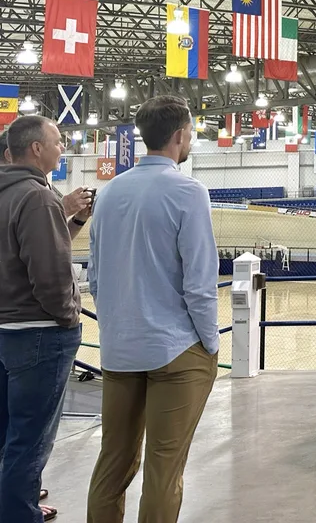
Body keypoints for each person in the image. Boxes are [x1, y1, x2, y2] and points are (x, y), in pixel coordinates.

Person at [85, 96, 219, 523]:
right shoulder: (188, 191)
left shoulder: (108, 194)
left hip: (121, 348)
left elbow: (96, 277)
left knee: (113, 462)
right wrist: (211, 345)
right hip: (176, 349)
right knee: (164, 468)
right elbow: (199, 283)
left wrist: (116, 329)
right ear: (180, 135)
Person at [0, 116, 87, 523]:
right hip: (38, 335)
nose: (61, 145)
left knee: (7, 433)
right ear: (35, 149)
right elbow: (50, 276)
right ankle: (20, 514)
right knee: (29, 440)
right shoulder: (36, 198)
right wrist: (69, 318)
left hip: (5, 331)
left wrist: (73, 220)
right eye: (57, 140)